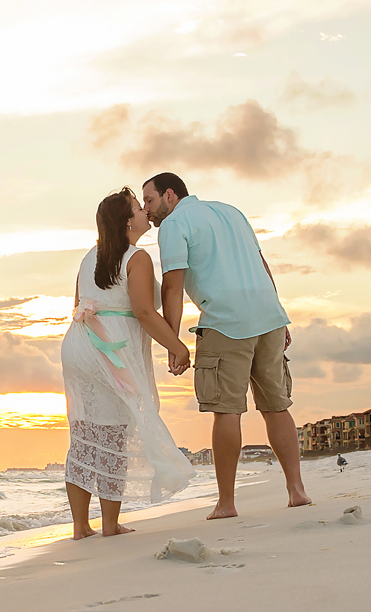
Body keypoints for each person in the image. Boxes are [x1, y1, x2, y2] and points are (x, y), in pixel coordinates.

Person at [142, 171, 313, 518]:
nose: (147, 210)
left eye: (150, 200)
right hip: (268, 316)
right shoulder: (231, 211)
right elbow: (261, 264)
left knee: (226, 410)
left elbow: (171, 287)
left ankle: (226, 503)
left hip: (226, 321)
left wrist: (174, 342)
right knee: (276, 406)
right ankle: (296, 490)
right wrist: (279, 314)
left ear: (170, 195)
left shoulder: (175, 224)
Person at [59, 188, 195, 538]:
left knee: (86, 433)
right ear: (126, 221)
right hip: (110, 349)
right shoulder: (137, 257)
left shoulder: (90, 257)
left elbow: (78, 303)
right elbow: (144, 312)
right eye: (138, 208)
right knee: (116, 431)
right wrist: (177, 346)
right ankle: (109, 525)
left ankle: (79, 527)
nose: (145, 212)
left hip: (79, 345)